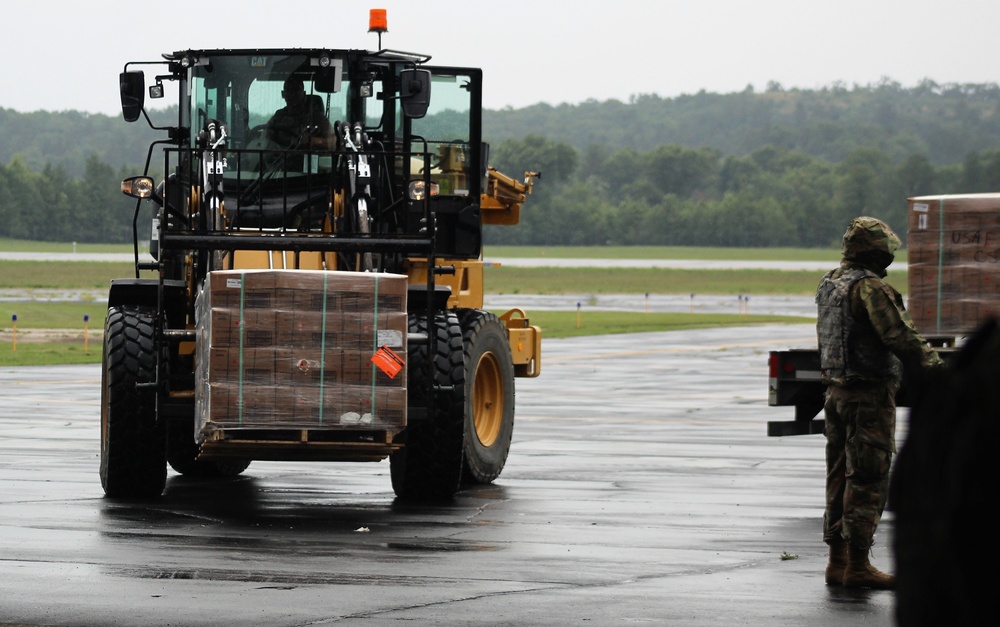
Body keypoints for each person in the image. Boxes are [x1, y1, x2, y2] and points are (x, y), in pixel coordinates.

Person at [815, 216, 943, 589]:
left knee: (838, 475)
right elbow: (900, 336)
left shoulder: (829, 283)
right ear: (874, 252)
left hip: (835, 393)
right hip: (868, 396)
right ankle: (857, 565)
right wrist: (937, 371)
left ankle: (836, 561)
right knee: (868, 477)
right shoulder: (870, 289)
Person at [265, 76, 333, 150]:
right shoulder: (278, 117)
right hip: (281, 159)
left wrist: (315, 141)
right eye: (289, 90)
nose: (292, 94)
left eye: (296, 90)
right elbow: (264, 139)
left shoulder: (316, 118)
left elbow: (334, 142)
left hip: (309, 159)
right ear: (283, 94)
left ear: (304, 94)